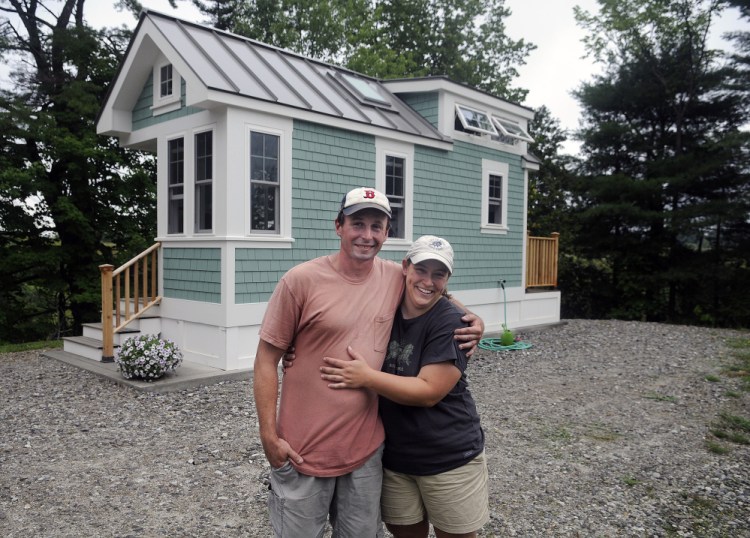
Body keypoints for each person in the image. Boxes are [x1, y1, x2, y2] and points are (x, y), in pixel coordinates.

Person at [253, 187, 484, 537]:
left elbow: (432, 287)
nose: (367, 235)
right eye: (357, 223)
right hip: (302, 452)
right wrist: (269, 436)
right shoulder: (300, 281)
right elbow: (265, 360)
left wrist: (474, 320)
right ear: (339, 226)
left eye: (377, 226)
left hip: (366, 454)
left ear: (386, 233)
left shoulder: (393, 275)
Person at [320, 235, 489, 538]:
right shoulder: (385, 304)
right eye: (421, 270)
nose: (428, 280)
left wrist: (366, 377)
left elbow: (428, 392)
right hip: (395, 460)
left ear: (447, 279)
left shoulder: (453, 324)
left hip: (449, 457)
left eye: (439, 274)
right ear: (405, 268)